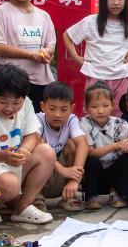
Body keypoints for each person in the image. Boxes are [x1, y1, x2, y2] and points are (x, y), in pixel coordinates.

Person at [0, 64, 56, 226]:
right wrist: (4, 156)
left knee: (47, 152)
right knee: (10, 185)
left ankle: (22, 208)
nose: (9, 108)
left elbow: (32, 134)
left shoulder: (26, 104)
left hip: (13, 161)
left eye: (16, 103)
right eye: (2, 102)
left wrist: (25, 149)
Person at [64, 0, 128, 110]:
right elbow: (67, 36)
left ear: (126, 0)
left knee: (122, 115)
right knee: (95, 115)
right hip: (96, 77)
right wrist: (75, 57)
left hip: (122, 78)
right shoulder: (91, 22)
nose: (116, 2)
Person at [79, 81, 128, 210]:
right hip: (95, 173)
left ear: (112, 105)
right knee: (91, 160)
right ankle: (92, 197)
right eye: (94, 106)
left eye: (105, 105)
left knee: (126, 159)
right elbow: (90, 152)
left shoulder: (121, 124)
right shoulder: (83, 124)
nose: (100, 111)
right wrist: (116, 146)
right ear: (86, 107)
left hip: (114, 171)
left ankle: (116, 192)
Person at [35, 82, 89, 212]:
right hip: (40, 177)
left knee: (72, 144)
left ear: (72, 108)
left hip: (62, 178)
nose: (57, 114)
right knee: (36, 148)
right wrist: (62, 170)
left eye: (64, 109)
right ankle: (36, 197)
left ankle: (69, 196)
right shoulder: (37, 119)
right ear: (43, 106)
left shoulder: (71, 120)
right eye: (52, 109)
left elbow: (83, 143)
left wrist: (75, 179)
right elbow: (36, 142)